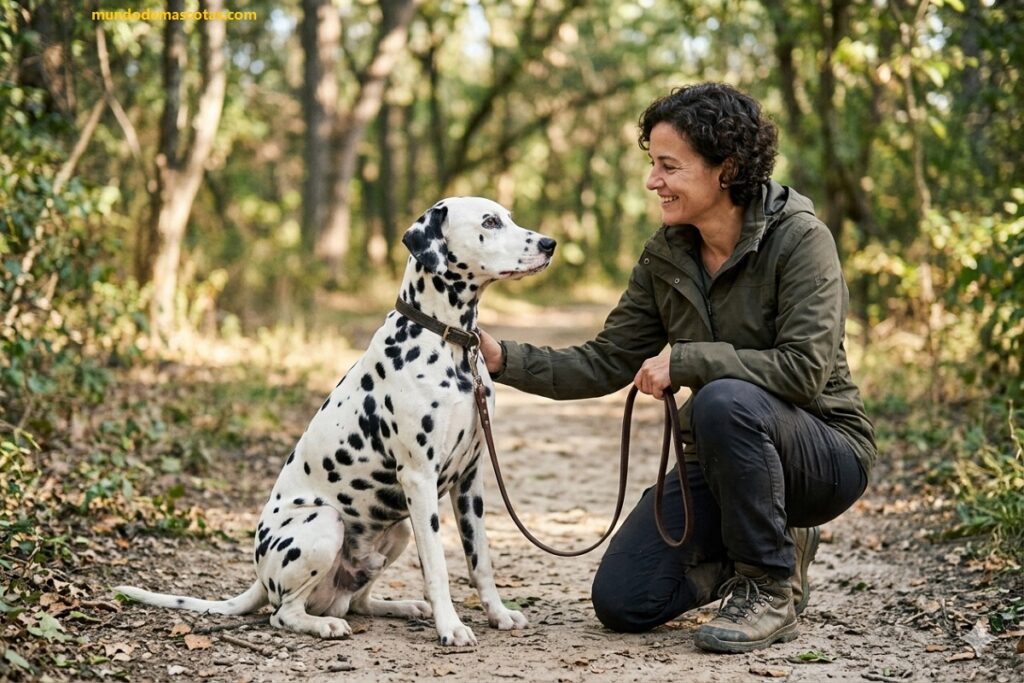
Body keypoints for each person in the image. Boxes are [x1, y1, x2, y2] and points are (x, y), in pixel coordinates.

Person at [478, 82, 876, 654]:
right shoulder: (667, 253)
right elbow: (606, 359)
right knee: (624, 600)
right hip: (726, 461)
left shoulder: (802, 240)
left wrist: (688, 360)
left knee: (721, 400)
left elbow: (804, 371)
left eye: (669, 166)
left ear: (725, 169)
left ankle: (771, 586)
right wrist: (502, 358)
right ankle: (761, 552)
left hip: (823, 454)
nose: (652, 181)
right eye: (652, 164)